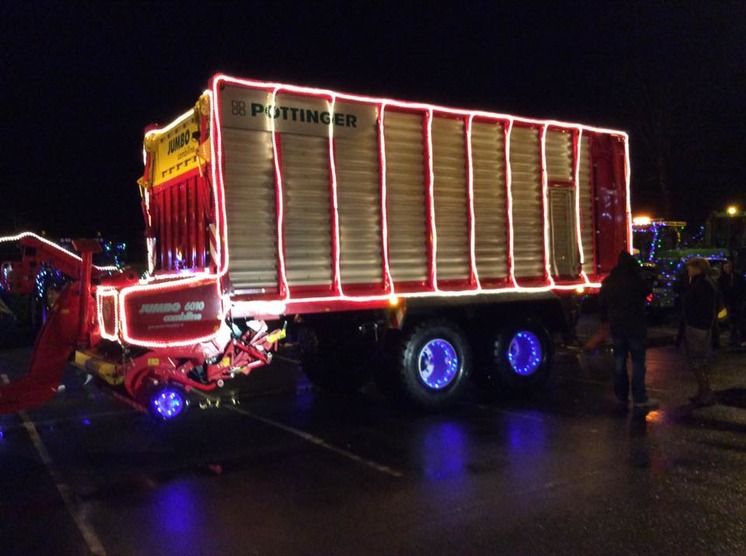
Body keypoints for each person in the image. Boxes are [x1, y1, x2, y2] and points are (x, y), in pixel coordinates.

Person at [598, 251, 658, 411]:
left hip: (617, 326)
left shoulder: (609, 281)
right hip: (635, 325)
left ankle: (621, 396)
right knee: (638, 362)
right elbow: (646, 293)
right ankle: (639, 397)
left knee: (619, 361)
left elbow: (602, 304)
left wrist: (605, 321)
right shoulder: (635, 280)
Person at [681, 257, 717, 406]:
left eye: (690, 267)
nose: (688, 270)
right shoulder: (706, 283)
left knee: (696, 360)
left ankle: (705, 391)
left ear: (698, 268)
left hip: (697, 326)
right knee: (701, 360)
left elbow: (695, 305)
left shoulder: (699, 284)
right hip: (703, 325)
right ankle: (703, 390)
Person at [718, 259, 745, 347]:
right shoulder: (722, 278)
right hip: (729, 301)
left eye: (729, 267)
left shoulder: (738, 276)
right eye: (725, 267)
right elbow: (721, 289)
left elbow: (742, 287)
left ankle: (742, 338)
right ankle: (733, 339)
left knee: (741, 320)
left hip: (738, 300)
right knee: (731, 321)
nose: (727, 269)